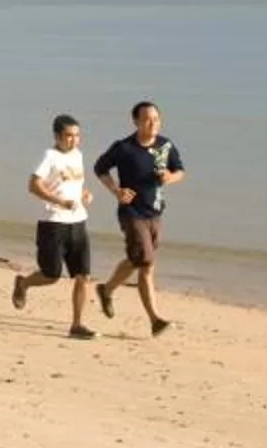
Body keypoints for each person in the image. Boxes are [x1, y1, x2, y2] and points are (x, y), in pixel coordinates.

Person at [91, 100, 186, 334]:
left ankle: (107, 290)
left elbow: (181, 171)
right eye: (146, 119)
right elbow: (100, 168)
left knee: (137, 260)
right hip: (131, 213)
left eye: (156, 119)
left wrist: (169, 178)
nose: (152, 123)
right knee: (147, 264)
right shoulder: (124, 148)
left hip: (155, 213)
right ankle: (155, 320)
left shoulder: (166, 146)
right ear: (135, 121)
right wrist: (116, 191)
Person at [10, 113, 98, 338]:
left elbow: (74, 184)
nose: (74, 140)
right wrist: (59, 202)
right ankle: (24, 283)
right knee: (52, 275)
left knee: (83, 275)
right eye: (69, 136)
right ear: (57, 136)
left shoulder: (78, 155)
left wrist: (84, 194)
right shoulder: (49, 156)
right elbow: (33, 185)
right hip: (53, 223)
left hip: (78, 221)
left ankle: (77, 325)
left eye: (77, 135)